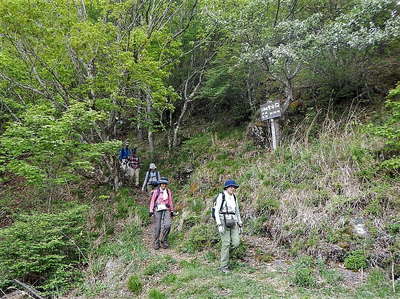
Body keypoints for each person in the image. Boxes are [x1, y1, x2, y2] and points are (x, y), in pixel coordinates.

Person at [213, 179, 242, 273]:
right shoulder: (221, 196)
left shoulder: (234, 197)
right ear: (226, 187)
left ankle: (225, 256)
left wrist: (240, 223)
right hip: (223, 220)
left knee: (236, 243)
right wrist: (219, 224)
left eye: (234, 187)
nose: (233, 188)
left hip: (233, 221)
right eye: (231, 187)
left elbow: (237, 211)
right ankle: (223, 266)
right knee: (226, 243)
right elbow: (216, 211)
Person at [149, 177, 174, 250]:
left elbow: (170, 201)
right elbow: (152, 201)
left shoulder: (168, 191)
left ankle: (164, 240)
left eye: (165, 184)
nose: (164, 185)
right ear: (160, 184)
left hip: (166, 209)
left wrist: (172, 211)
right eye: (162, 184)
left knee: (168, 225)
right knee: (158, 227)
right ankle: (156, 242)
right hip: (157, 209)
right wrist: (151, 210)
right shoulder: (156, 191)